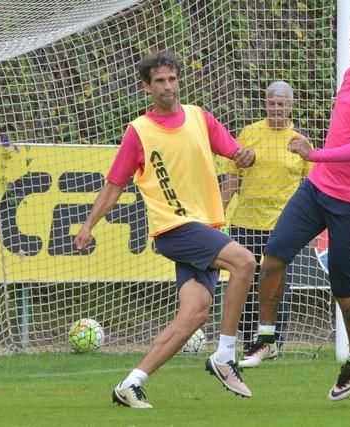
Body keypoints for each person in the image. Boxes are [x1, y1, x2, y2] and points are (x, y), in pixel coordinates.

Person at [74, 51, 257, 409]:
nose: (168, 86)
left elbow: (234, 151)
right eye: (159, 81)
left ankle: (130, 384)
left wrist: (244, 155)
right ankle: (225, 355)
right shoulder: (138, 131)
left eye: (172, 79)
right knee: (245, 262)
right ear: (147, 88)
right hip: (174, 228)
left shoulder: (199, 117)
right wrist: (88, 224)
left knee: (195, 312)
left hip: (203, 227)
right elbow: (114, 185)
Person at [246, 9, 350, 401]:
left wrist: (314, 155)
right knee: (274, 256)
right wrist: (319, 165)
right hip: (318, 190)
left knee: (345, 292)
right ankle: (267, 338)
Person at [219, 81, 313, 367]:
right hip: (246, 221)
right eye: (271, 103)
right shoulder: (249, 133)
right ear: (265, 104)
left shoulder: (300, 140)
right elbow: (232, 176)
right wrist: (219, 214)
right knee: (244, 284)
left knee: (276, 286)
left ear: (290, 107)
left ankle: (273, 342)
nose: (276, 108)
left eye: (281, 104)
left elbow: (311, 184)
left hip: (283, 225)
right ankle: (248, 341)